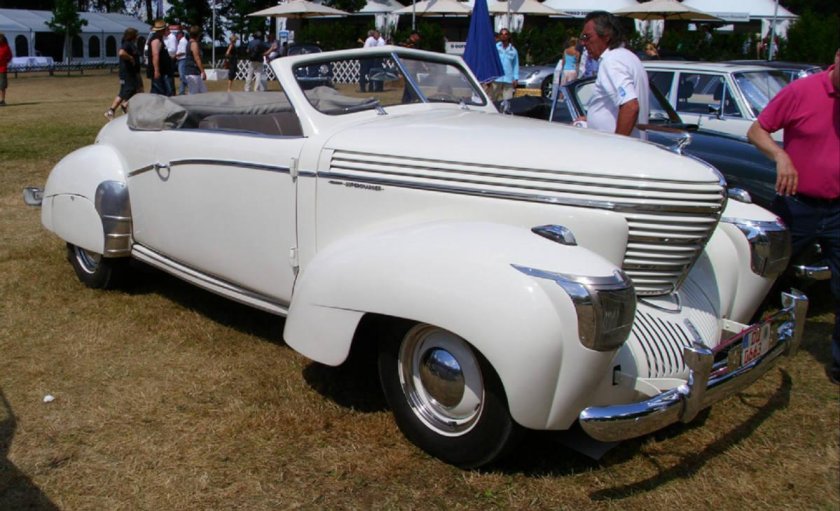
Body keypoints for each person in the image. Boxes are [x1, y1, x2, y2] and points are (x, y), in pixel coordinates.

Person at [747, 48, 840, 385]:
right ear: (837, 58)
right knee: (766, 276)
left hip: (838, 208)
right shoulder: (803, 91)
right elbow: (756, 130)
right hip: (798, 203)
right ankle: (740, 344)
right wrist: (780, 155)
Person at [578, 11, 649, 139]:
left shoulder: (611, 61)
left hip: (618, 152)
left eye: (587, 37)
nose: (583, 43)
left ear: (606, 36)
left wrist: (618, 145)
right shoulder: (628, 56)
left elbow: (630, 106)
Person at [105, 27, 143, 119]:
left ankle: (113, 111)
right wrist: (130, 58)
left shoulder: (132, 45)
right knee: (135, 92)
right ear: (132, 35)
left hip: (133, 73)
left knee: (125, 93)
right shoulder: (127, 44)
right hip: (127, 73)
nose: (138, 36)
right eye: (136, 34)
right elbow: (121, 53)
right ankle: (123, 106)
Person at [491, 29, 519, 103]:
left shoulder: (513, 50)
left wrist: (516, 78)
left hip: (508, 79)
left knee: (508, 101)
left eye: (506, 34)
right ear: (499, 36)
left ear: (509, 36)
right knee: (494, 100)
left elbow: (515, 65)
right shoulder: (495, 48)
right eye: (502, 34)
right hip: (496, 78)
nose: (503, 36)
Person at [148, 19, 174, 96]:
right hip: (161, 71)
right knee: (161, 92)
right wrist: (156, 70)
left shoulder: (159, 38)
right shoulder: (156, 40)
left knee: (159, 91)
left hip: (164, 70)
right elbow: (155, 55)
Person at [182, 25, 207, 94]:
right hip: (192, 72)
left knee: (203, 92)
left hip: (193, 72)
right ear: (198, 34)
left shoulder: (189, 43)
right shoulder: (194, 44)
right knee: (194, 93)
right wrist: (203, 71)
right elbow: (197, 58)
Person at [175, 29, 188, 95]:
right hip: (181, 60)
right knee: (182, 76)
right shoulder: (181, 41)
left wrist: (175, 55)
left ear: (181, 35)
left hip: (183, 59)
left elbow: (183, 52)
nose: (176, 36)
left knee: (182, 76)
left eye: (177, 35)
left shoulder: (183, 41)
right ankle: (181, 91)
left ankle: (190, 85)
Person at [0, 33, 11, 107]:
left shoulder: (6, 47)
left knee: (2, 86)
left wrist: (5, 61)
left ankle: (2, 100)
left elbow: (10, 56)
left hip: (2, 69)